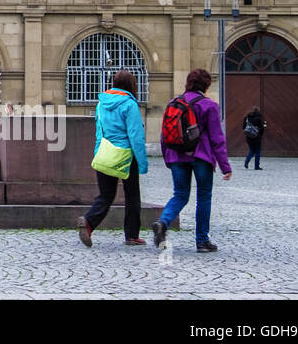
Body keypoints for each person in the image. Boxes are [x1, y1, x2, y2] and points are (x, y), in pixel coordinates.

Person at [153, 68, 232, 252]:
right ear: (206, 85)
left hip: (177, 155)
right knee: (204, 197)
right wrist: (225, 166)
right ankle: (202, 241)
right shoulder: (209, 105)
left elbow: (164, 134)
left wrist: (168, 158)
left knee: (180, 194)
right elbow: (217, 139)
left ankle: (163, 222)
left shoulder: (173, 103)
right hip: (201, 157)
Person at [78, 69, 149, 247]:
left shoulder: (101, 104)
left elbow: (99, 131)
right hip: (126, 155)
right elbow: (135, 135)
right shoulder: (130, 104)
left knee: (106, 194)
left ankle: (88, 222)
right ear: (132, 85)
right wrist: (142, 162)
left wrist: (97, 153)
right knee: (132, 195)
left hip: (106, 152)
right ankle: (132, 236)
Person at [243, 105, 266, 170]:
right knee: (258, 151)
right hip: (257, 137)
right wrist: (261, 134)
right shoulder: (259, 118)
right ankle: (256, 166)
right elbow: (262, 128)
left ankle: (246, 161)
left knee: (251, 150)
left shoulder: (247, 117)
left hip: (249, 137)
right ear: (258, 111)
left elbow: (244, 127)